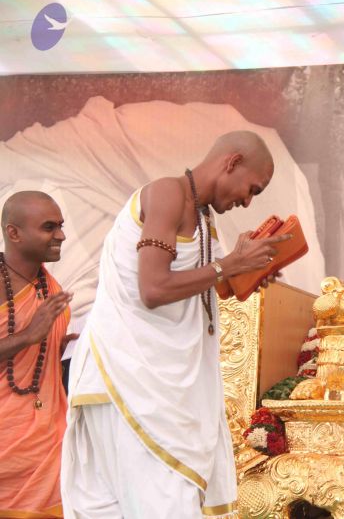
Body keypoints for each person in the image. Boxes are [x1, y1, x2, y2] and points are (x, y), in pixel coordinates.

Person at [61, 131, 289, 518]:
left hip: (153, 386)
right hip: (127, 379)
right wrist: (230, 265)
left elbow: (211, 285)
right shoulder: (167, 193)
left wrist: (249, 272)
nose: (247, 201)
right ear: (232, 162)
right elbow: (153, 288)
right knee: (164, 506)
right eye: (252, 189)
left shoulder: (203, 219)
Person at [0, 191, 73, 518]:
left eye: (60, 225)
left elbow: (35, 362)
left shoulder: (49, 287)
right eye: (48, 227)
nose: (61, 235)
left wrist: (58, 346)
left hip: (46, 443)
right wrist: (29, 336)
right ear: (13, 233)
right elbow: (28, 338)